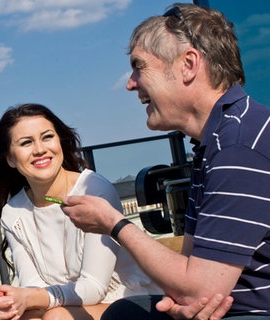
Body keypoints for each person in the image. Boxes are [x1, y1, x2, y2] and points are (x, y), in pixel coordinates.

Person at [62, 3, 270, 319]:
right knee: (125, 313)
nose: (131, 83)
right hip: (228, 307)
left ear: (188, 64)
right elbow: (189, 273)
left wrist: (114, 224)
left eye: (139, 66)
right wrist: (184, 302)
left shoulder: (238, 147)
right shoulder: (214, 143)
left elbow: (198, 289)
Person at [0, 103, 162, 320]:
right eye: (26, 143)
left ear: (60, 142)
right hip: (66, 305)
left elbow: (93, 287)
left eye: (47, 137)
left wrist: (33, 298)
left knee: (56, 318)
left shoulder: (93, 189)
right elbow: (32, 285)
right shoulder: (13, 213)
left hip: (127, 301)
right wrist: (20, 300)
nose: (40, 149)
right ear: (11, 159)